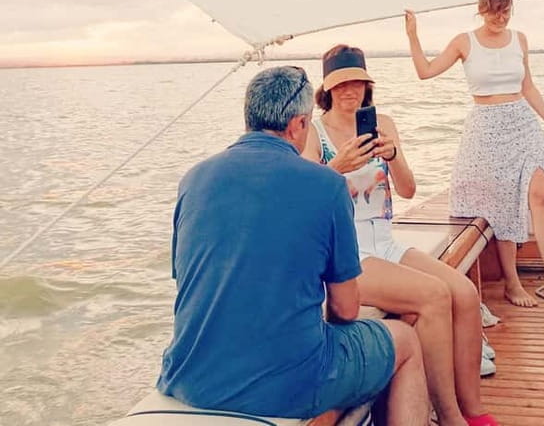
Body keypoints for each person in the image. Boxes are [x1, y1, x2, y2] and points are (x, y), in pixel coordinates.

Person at [156, 66, 429, 426]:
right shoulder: (325, 185)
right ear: (299, 125)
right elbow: (346, 309)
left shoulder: (194, 178)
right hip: (286, 385)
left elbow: (188, 279)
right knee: (405, 341)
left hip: (189, 376)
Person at [302, 45, 497, 426]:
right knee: (434, 296)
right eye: (341, 85)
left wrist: (393, 156)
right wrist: (337, 165)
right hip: (348, 250)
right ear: (326, 89)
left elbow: (407, 190)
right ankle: (449, 415)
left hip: (385, 239)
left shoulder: (383, 123)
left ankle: (473, 410)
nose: (349, 92)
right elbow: (306, 196)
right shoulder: (315, 131)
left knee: (466, 293)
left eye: (356, 83)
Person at [405, 0, 544, 308]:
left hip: (522, 123)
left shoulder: (520, 40)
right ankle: (512, 283)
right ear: (482, 9)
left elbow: (528, 86)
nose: (500, 18)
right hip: (485, 126)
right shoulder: (464, 42)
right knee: (498, 205)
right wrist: (413, 35)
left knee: (541, 196)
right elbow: (425, 72)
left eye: (505, 12)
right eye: (494, 12)